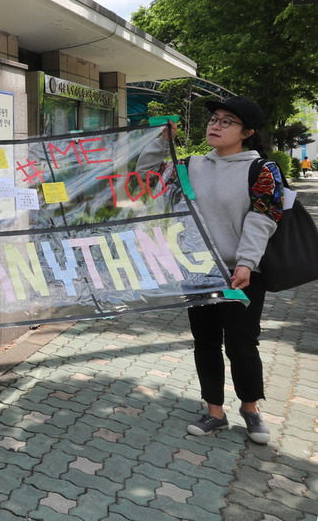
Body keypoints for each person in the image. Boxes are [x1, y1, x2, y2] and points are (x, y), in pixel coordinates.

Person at [140, 96, 280, 445]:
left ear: (246, 132)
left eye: (226, 121)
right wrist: (161, 142)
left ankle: (251, 408)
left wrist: (247, 262)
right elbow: (147, 179)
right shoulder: (191, 165)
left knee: (242, 344)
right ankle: (214, 411)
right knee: (205, 343)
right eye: (214, 119)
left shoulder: (262, 170)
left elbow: (263, 218)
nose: (215, 125)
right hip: (199, 270)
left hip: (241, 272)